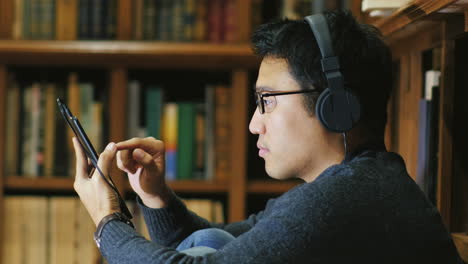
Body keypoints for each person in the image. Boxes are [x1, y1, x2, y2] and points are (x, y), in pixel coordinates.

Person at [72, 10, 463, 263]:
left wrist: (107, 221)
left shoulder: (352, 197)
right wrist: (154, 197)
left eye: (267, 101)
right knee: (210, 238)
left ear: (335, 105)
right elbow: (216, 246)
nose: (253, 124)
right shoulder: (353, 183)